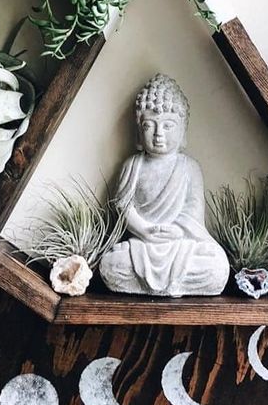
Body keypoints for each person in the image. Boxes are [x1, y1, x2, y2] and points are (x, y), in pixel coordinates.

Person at [99, 74, 230, 297]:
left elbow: (193, 212)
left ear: (183, 131)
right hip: (142, 245)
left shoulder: (190, 168)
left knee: (217, 268)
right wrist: (143, 230)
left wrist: (177, 230)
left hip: (181, 244)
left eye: (168, 126)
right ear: (139, 131)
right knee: (111, 264)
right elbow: (122, 205)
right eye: (149, 126)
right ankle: (166, 283)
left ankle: (169, 282)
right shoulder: (133, 165)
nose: (159, 134)